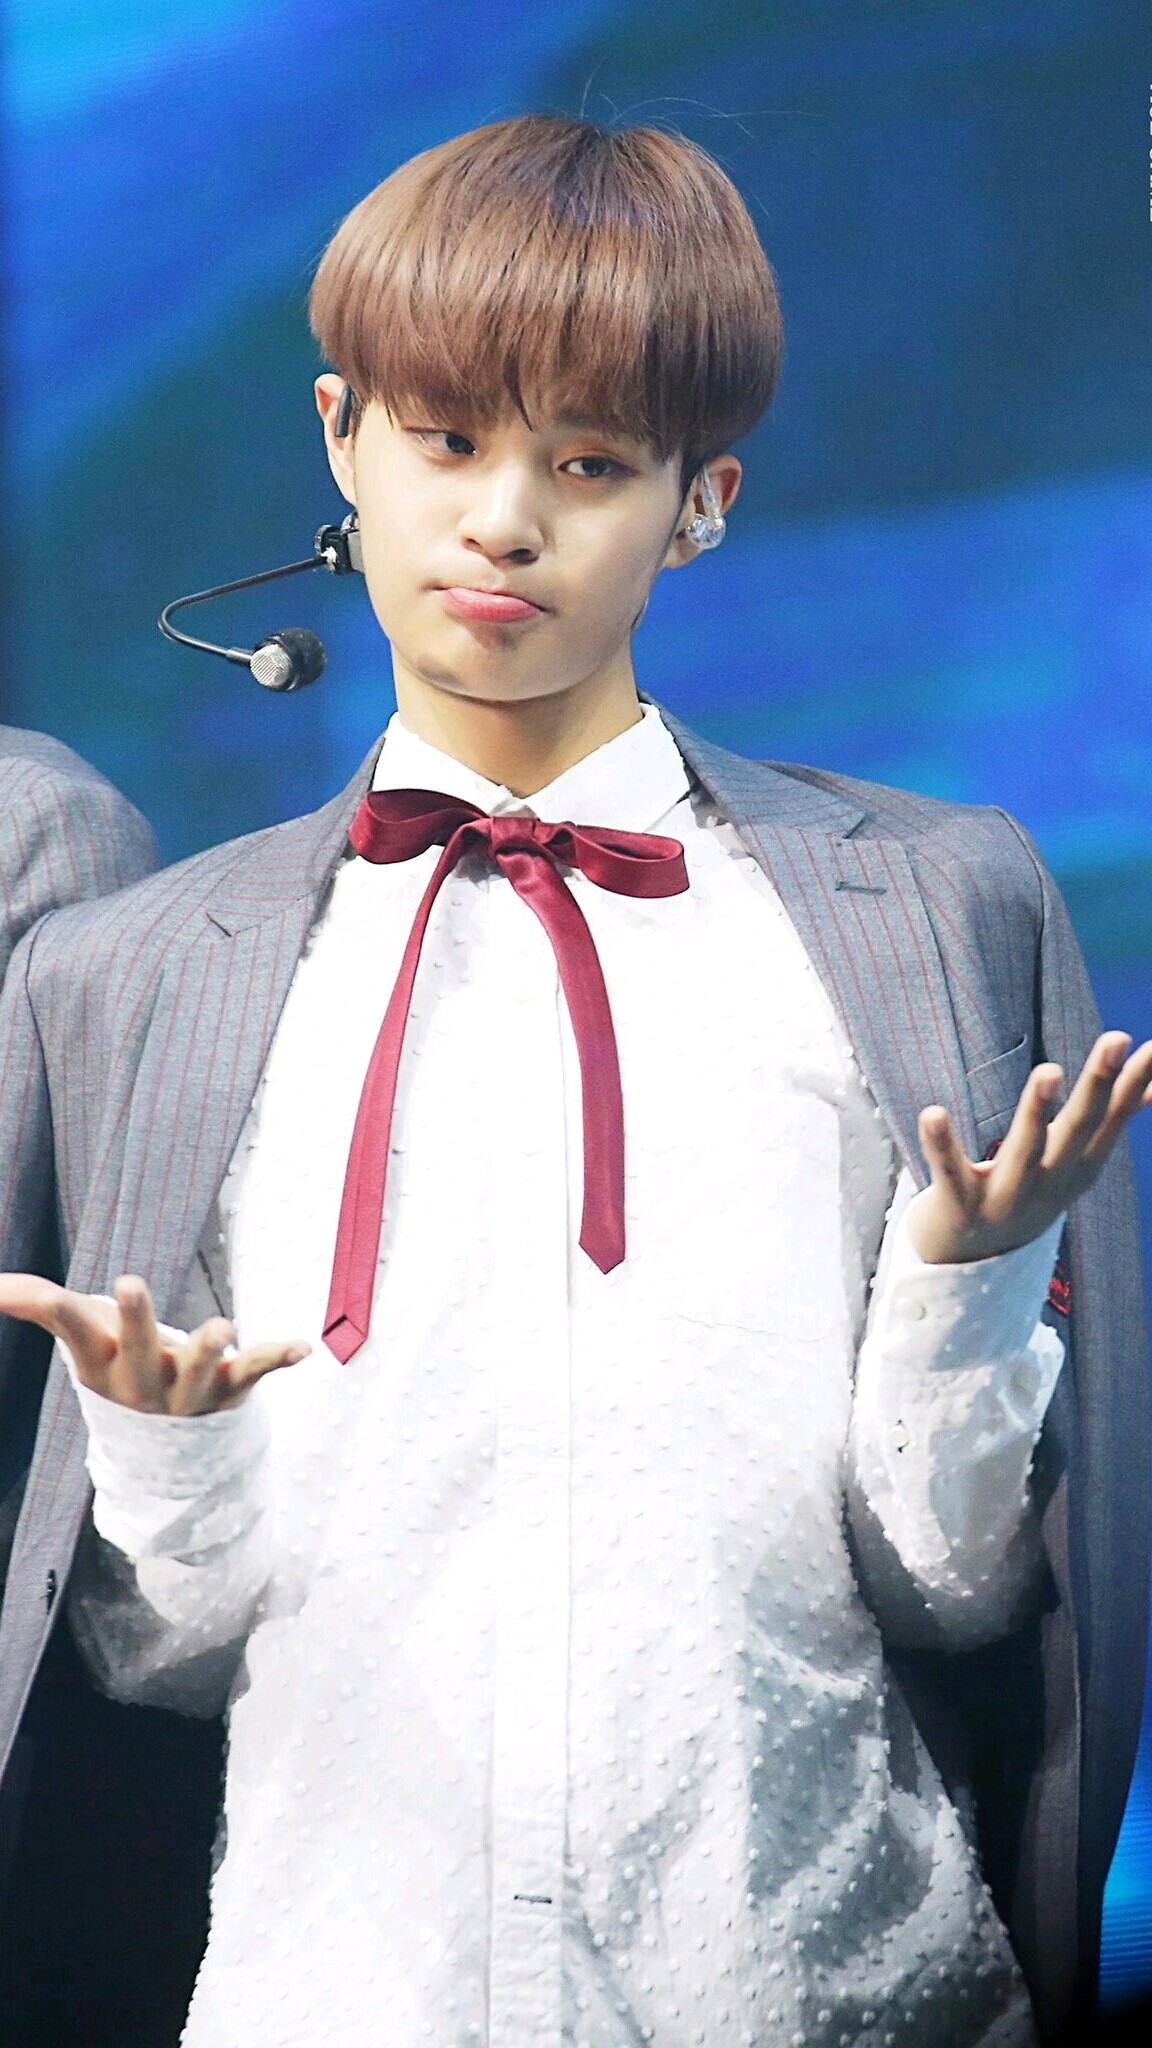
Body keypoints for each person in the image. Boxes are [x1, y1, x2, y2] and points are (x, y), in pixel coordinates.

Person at [0, 117, 1148, 2048]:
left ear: (702, 505)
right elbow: (160, 1665)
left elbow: (964, 1601)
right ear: (342, 435)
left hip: (823, 1987)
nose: (504, 520)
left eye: (592, 463)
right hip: (338, 1994)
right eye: (448, 440)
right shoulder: (131, 974)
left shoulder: (939, 906)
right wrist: (167, 1447)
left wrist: (960, 1295)